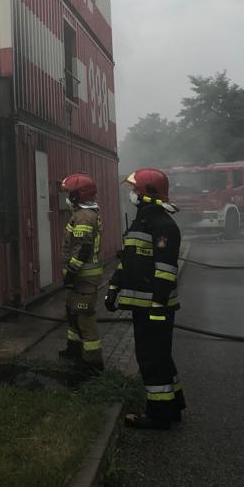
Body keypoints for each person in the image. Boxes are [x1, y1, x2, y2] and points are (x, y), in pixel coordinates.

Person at [106, 167, 186, 430]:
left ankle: (158, 415)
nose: (132, 193)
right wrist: (113, 287)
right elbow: (128, 261)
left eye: (135, 189)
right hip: (144, 307)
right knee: (159, 357)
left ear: (147, 193)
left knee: (152, 359)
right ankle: (172, 405)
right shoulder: (142, 222)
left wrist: (158, 307)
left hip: (155, 308)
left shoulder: (163, 226)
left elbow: (166, 271)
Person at [58, 173, 105, 373]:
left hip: (83, 278)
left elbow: (83, 249)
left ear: (78, 195)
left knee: (84, 318)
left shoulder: (84, 216)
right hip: (79, 279)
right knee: (73, 313)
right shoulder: (83, 213)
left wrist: (71, 272)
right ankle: (74, 349)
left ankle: (93, 363)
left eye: (69, 193)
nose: (67, 197)